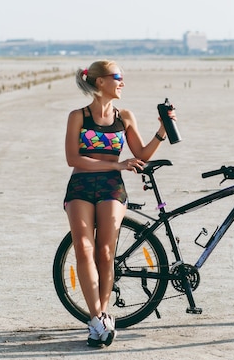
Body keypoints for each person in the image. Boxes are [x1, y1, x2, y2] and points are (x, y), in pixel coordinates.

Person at [63, 60, 173, 347]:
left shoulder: (124, 117)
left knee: (105, 251)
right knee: (84, 250)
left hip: (112, 187)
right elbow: (73, 159)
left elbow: (141, 154)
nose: (122, 82)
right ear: (100, 82)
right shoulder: (78, 116)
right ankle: (98, 318)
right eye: (117, 77)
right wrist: (117, 164)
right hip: (81, 185)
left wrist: (161, 131)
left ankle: (101, 318)